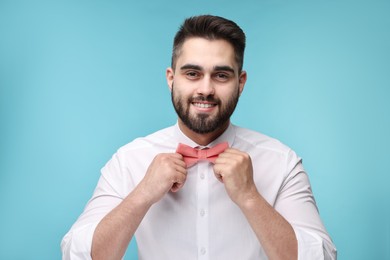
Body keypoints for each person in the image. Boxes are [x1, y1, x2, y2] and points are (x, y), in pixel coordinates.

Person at [61, 15, 337, 260]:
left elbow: (321, 257)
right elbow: (78, 254)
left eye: (220, 75)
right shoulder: (129, 160)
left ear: (240, 83)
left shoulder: (281, 162)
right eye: (192, 73)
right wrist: (142, 194)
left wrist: (250, 197)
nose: (205, 89)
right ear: (171, 78)